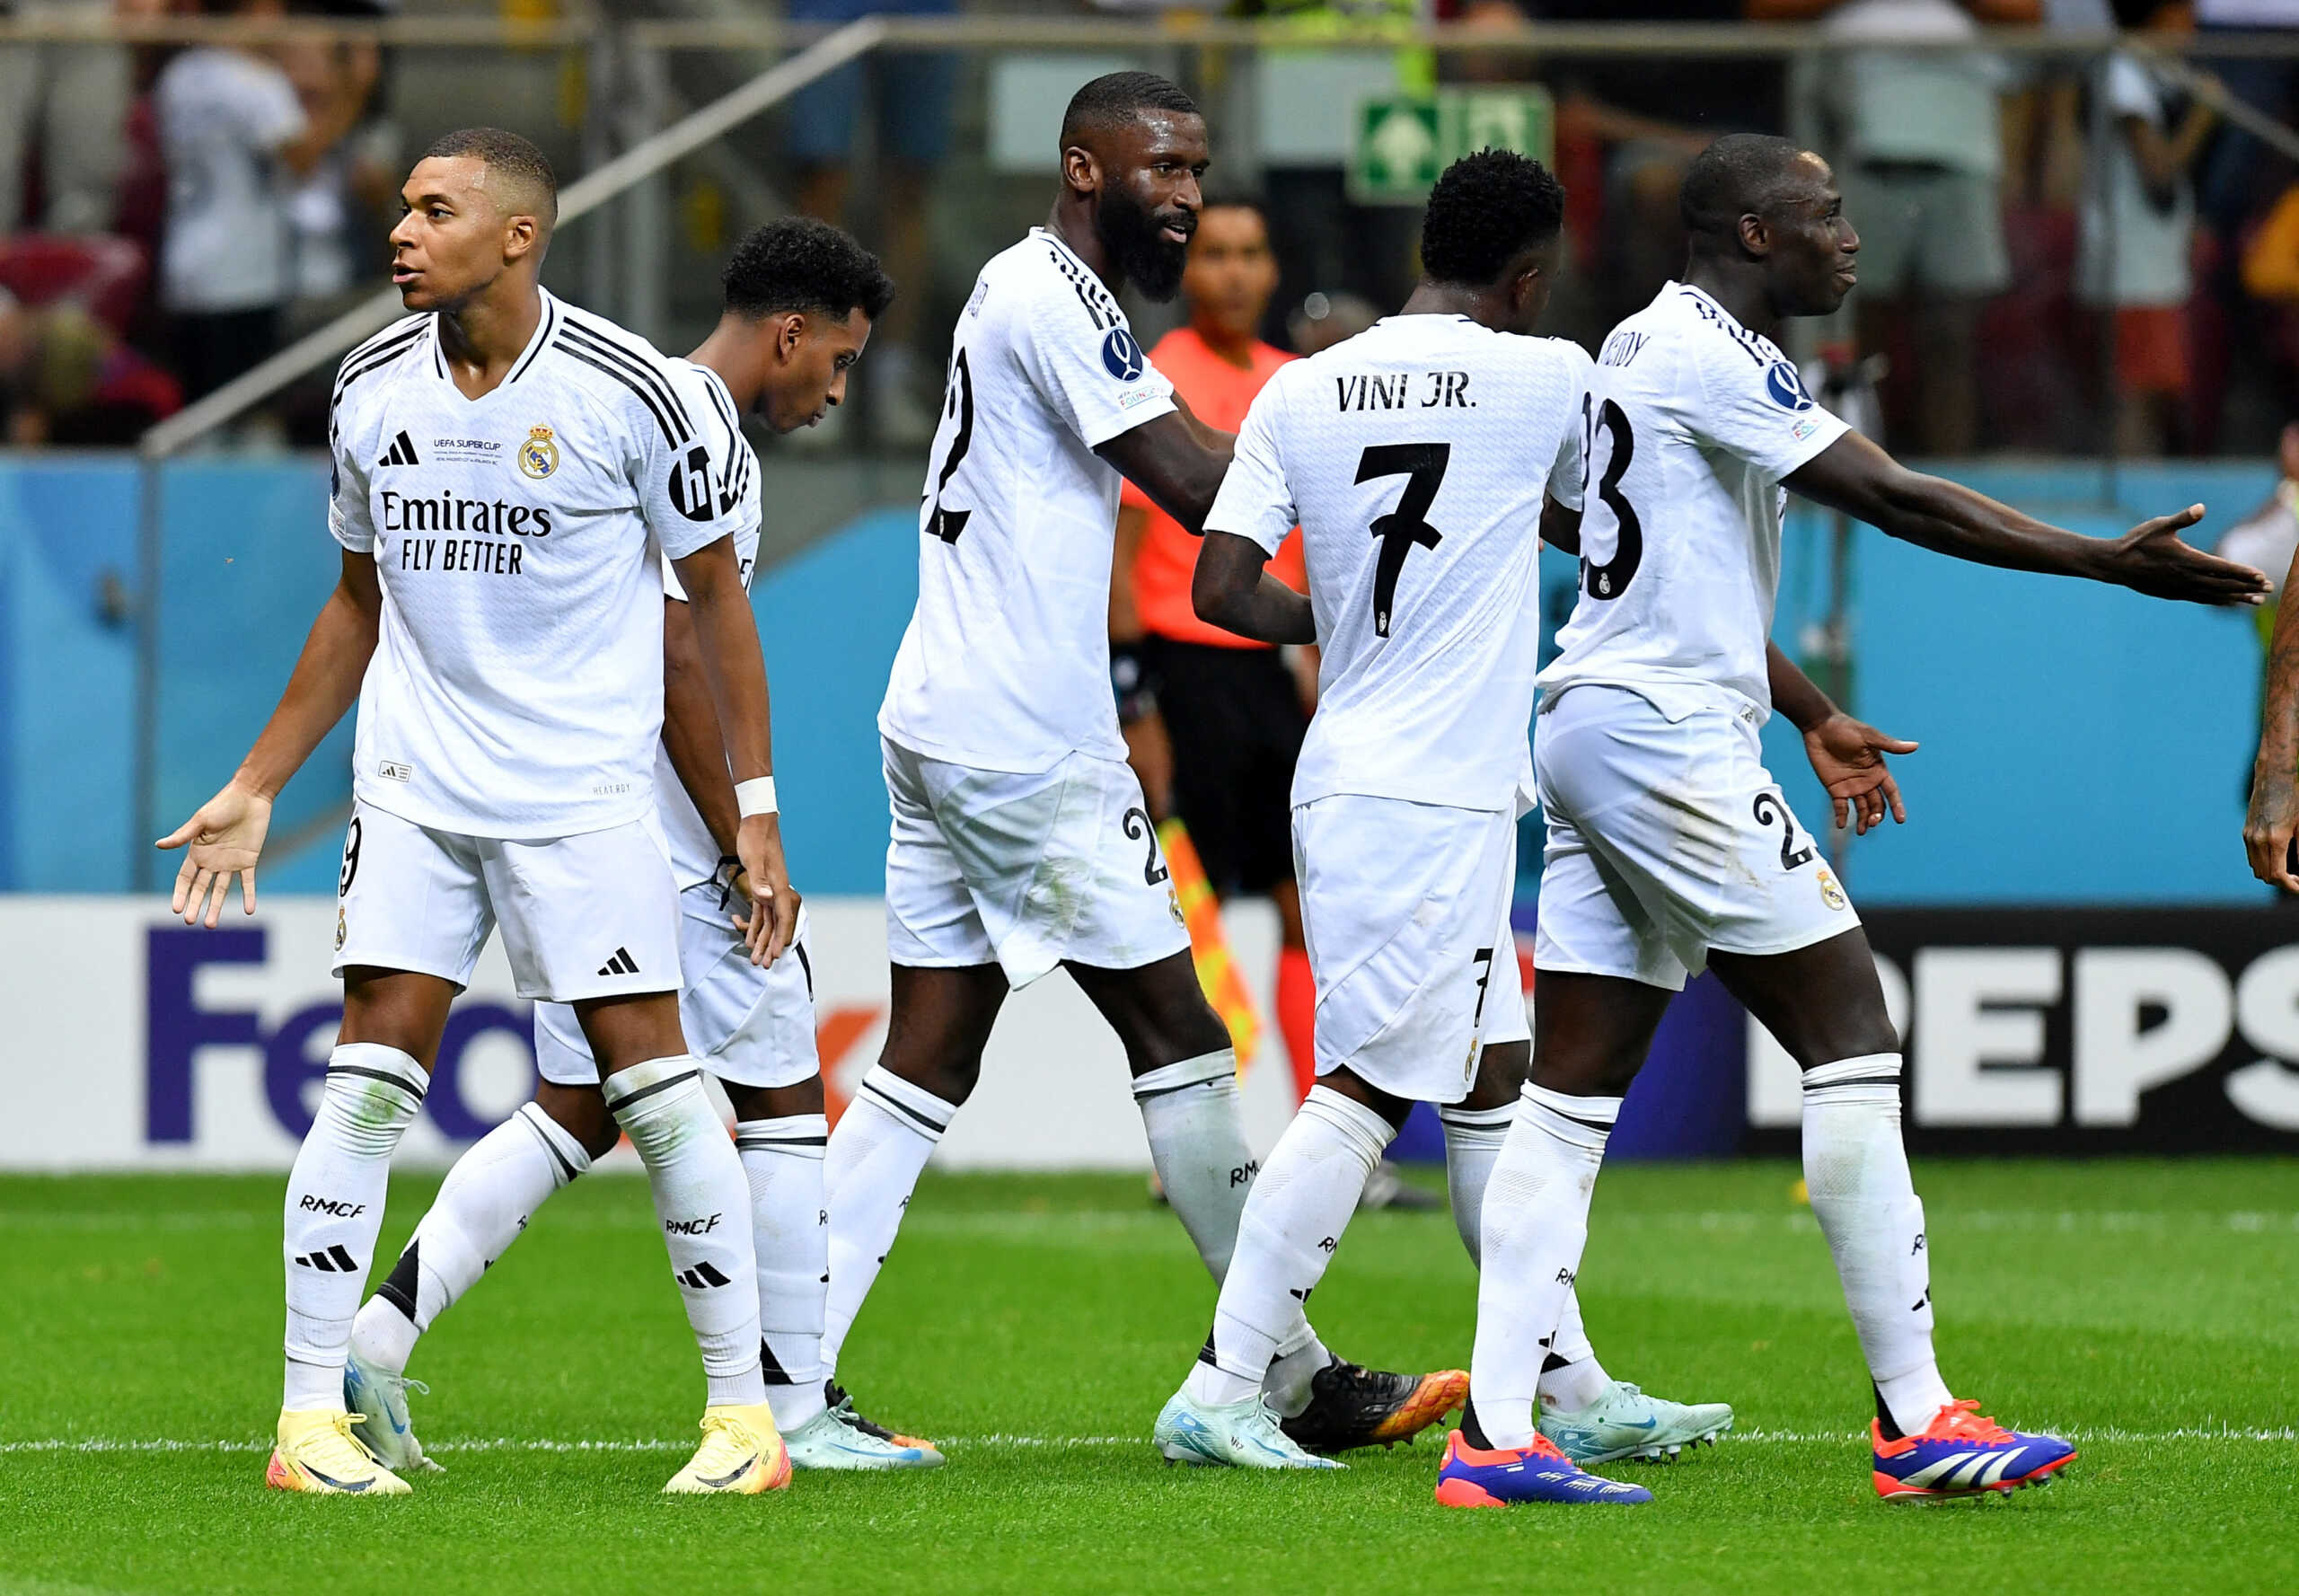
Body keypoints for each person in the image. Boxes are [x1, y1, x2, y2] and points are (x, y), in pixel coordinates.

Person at [1449, 132, 2267, 1510]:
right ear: (1752, 236)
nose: (1851, 235)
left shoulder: (1637, 351)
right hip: (1659, 735)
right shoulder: (1710, 354)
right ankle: (1917, 1417)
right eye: (1823, 215)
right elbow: (1892, 496)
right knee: (1851, 1032)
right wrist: (2103, 564)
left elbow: (1636, 554)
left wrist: (1809, 708)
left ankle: (1493, 1435)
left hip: (1597, 718)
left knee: (1571, 1093)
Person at [157, 127, 804, 1499]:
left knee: (659, 1089)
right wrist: (259, 782)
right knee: (367, 1079)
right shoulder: (366, 389)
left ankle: (743, 1424)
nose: (400, 230)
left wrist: (752, 806)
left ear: (518, 235)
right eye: (400, 207)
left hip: (582, 802)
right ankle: (307, 1424)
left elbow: (717, 607)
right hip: (416, 790)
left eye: (433, 210)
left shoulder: (642, 393)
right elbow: (356, 602)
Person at [834, 70, 1462, 1456]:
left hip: (950, 716)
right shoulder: (1052, 295)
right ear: (1080, 167)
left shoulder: (1049, 297)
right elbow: (1190, 475)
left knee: (924, 1059)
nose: (1182, 193)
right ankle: (1276, 1379)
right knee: (1180, 1039)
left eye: (1198, 169)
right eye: (1160, 168)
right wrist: (1382, 513)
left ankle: (783, 1378)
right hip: (1022, 739)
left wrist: (1326, 604)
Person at [329, 216, 938, 1478]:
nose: (836, 386)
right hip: (653, 844)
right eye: (837, 359)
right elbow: (681, 656)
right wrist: (743, 843)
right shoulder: (687, 424)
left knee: (575, 1108)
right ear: (789, 332)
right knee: (777, 1101)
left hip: (584, 822)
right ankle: (791, 1405)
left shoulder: (622, 398)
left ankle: (375, 1339)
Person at [1153, 148, 1727, 1481]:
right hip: (1426, 793)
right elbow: (1614, 532)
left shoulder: (1302, 385)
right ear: (1528, 277)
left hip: (1360, 767)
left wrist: (1348, 623)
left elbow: (1225, 591)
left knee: (1491, 1087)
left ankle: (1565, 1383)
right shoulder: (1548, 377)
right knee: (1360, 1089)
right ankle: (1223, 1380)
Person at [2076, 2, 2220, 456]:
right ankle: (2134, 511)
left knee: (2153, 392)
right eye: (2184, 17)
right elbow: (2156, 170)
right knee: (2135, 395)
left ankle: (2146, 496)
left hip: (2153, 263)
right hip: (2131, 264)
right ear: (2158, 16)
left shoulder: (2153, 70)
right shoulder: (2124, 72)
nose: (2192, 29)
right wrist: (2204, 117)